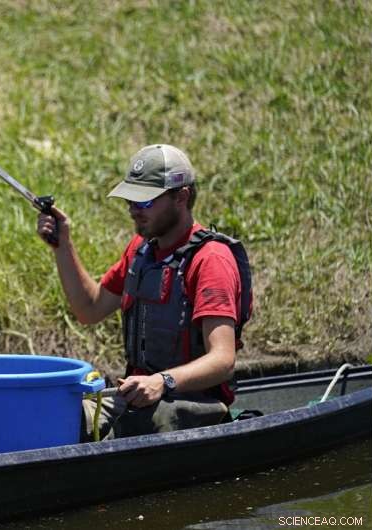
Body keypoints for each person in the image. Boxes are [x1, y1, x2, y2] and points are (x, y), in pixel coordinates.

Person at [37, 144, 252, 439]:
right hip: (138, 399)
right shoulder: (141, 251)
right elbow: (89, 308)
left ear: (181, 197)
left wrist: (162, 382)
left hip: (193, 403)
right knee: (59, 419)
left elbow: (223, 361)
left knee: (145, 423)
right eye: (130, 202)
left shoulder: (210, 260)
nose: (134, 211)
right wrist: (63, 245)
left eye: (145, 202)